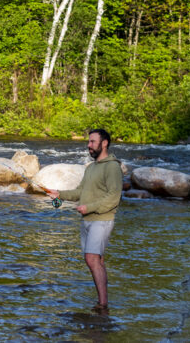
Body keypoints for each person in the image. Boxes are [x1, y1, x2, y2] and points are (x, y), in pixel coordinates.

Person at [46, 128, 123, 312]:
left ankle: (102, 305)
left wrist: (89, 207)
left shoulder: (112, 167)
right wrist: (59, 194)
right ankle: (103, 303)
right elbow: (80, 192)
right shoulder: (91, 168)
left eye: (92, 142)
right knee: (97, 260)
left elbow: (114, 197)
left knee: (91, 259)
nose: (88, 145)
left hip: (102, 219)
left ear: (104, 143)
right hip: (87, 220)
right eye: (88, 142)